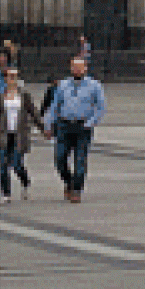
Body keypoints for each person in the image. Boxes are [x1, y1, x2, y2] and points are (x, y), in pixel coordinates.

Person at [41, 53, 106, 202]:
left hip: (82, 126)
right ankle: (69, 181)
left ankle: (77, 189)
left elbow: (101, 107)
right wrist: (48, 124)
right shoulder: (63, 85)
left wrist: (91, 122)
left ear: (85, 68)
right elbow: (54, 106)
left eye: (79, 67)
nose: (76, 70)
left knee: (80, 159)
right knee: (60, 158)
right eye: (74, 67)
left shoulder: (94, 86)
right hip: (64, 125)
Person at [0, 53, 48, 202]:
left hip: (20, 135)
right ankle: (6, 194)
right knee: (3, 165)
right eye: (8, 77)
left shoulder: (24, 96)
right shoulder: (0, 97)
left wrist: (43, 129)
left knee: (16, 164)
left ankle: (25, 182)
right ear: (5, 79)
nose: (11, 80)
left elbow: (34, 113)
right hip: (4, 135)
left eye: (14, 77)